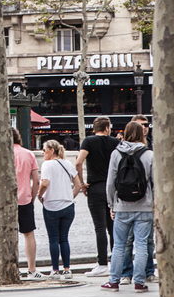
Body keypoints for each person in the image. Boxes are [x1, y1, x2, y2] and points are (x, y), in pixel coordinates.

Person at [102, 122, 154, 292]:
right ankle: (139, 282)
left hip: (122, 205)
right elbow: (155, 183)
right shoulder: (149, 154)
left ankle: (114, 281)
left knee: (119, 245)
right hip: (144, 206)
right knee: (141, 244)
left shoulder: (116, 153)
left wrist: (111, 204)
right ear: (142, 134)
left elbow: (110, 182)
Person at [76, 116, 119, 277]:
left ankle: (102, 264)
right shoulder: (115, 142)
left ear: (95, 128)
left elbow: (78, 162)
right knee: (113, 227)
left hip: (95, 187)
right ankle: (117, 262)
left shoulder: (88, 141)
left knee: (99, 227)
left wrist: (82, 183)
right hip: (112, 188)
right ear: (107, 128)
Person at [38, 139, 82, 279]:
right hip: (68, 206)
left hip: (51, 205)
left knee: (53, 239)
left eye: (44, 150)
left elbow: (45, 183)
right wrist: (69, 197)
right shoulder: (67, 163)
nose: (42, 153)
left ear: (51, 151)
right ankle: (67, 269)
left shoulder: (47, 164)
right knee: (64, 238)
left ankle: (55, 270)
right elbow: (78, 185)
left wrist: (39, 195)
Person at [11, 127, 41, 278]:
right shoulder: (28, 154)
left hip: (6, 201)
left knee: (8, 235)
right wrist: (32, 198)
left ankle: (11, 269)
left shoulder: (2, 154)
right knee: (29, 234)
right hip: (25, 199)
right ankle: (32, 269)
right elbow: (36, 181)